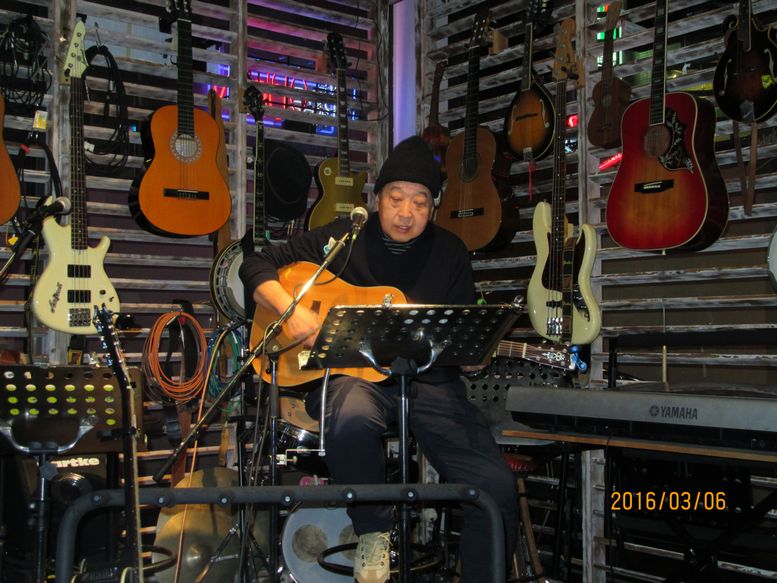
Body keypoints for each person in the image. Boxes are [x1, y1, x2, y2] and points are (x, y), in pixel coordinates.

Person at [239, 135, 518, 583]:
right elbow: (256, 265)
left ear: (434, 207)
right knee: (351, 417)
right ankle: (373, 531)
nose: (406, 213)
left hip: (429, 384)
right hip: (355, 380)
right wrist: (290, 313)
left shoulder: (450, 252)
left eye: (420, 203)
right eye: (396, 199)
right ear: (377, 200)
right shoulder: (344, 238)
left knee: (498, 488)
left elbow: (462, 341)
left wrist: (472, 357)